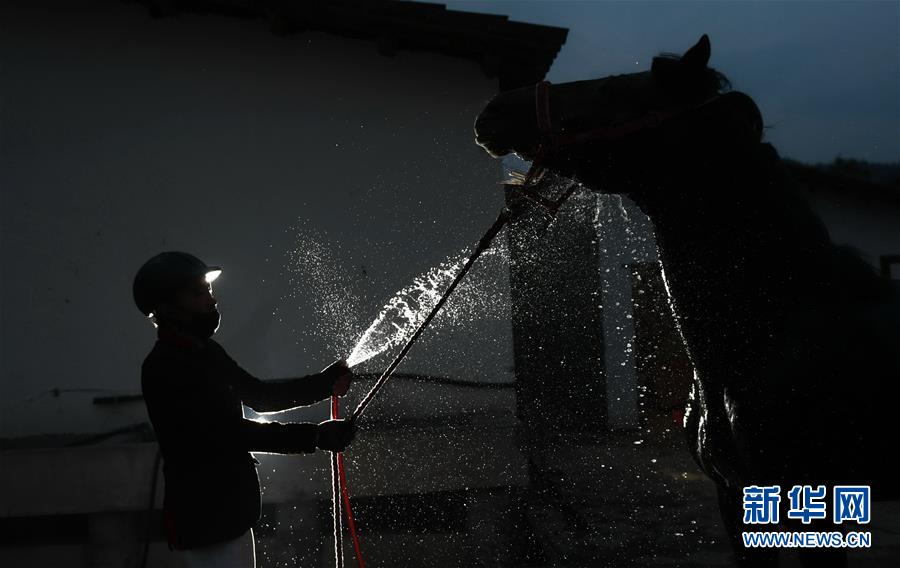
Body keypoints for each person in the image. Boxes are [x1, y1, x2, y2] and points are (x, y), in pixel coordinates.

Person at [133, 251, 355, 567]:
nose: (211, 300)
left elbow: (259, 395)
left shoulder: (206, 352)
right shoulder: (165, 367)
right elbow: (229, 434)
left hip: (232, 515)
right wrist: (315, 436)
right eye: (198, 293)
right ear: (168, 309)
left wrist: (323, 384)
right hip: (206, 521)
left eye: (209, 289)